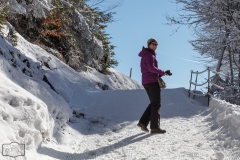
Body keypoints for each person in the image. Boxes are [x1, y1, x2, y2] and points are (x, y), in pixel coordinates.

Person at [137, 38, 167, 134]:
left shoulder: (146, 54)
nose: (155, 46)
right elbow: (151, 68)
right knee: (156, 103)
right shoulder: (149, 55)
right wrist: (161, 72)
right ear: (149, 45)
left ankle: (143, 122)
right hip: (152, 81)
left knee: (153, 103)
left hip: (146, 81)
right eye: (153, 44)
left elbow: (149, 69)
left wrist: (163, 73)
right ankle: (154, 127)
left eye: (156, 44)